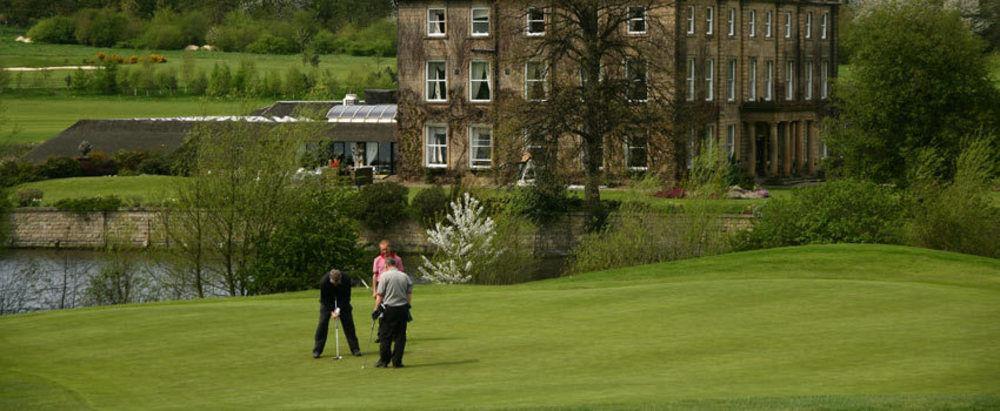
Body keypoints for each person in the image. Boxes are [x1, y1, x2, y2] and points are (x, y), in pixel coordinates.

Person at [372, 257, 412, 368]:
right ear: (396, 265)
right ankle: (397, 361)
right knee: (400, 336)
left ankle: (384, 361)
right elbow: (409, 294)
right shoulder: (405, 276)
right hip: (402, 309)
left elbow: (380, 295)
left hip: (389, 309)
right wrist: (408, 306)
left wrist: (375, 309)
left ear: (386, 265)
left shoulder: (384, 276)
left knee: (385, 335)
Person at [313, 269, 361, 359]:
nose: (335, 284)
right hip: (328, 302)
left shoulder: (346, 279)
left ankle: (355, 349)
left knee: (349, 324)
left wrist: (338, 309)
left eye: (337, 282)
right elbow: (324, 300)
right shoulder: (324, 281)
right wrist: (332, 311)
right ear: (330, 278)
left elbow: (346, 297)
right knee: (322, 323)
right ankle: (317, 350)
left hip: (343, 300)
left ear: (340, 278)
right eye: (333, 282)